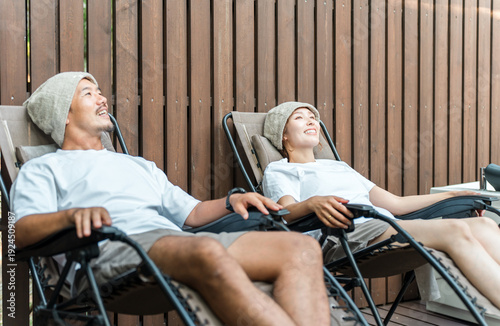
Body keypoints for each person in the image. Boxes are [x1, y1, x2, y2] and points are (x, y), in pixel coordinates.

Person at [11, 73, 331, 326]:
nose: (102, 98)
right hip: (110, 251)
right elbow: (20, 231)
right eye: (88, 93)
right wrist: (70, 216)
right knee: (203, 248)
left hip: (176, 243)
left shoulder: (138, 165)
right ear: (63, 115)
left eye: (99, 92)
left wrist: (233, 200)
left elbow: (190, 213)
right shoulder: (44, 168)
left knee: (301, 248)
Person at [261, 101, 500, 309]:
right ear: (283, 134)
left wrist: (451, 196)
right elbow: (284, 213)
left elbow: (396, 203)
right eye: (299, 118)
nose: (310, 121)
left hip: (384, 225)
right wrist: (313, 203)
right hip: (345, 236)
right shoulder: (280, 169)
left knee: (484, 225)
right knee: (455, 230)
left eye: (313, 117)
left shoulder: (338, 166)